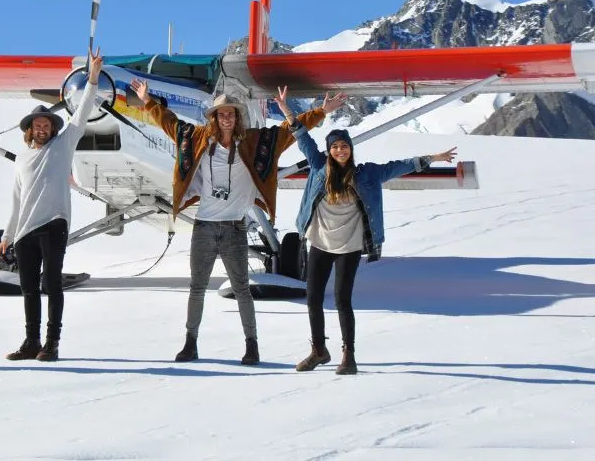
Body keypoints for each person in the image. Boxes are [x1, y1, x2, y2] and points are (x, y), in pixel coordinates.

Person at [131, 78, 346, 364]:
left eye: (231, 113)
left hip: (235, 228)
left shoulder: (256, 143)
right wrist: (147, 100)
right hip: (204, 227)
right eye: (222, 113)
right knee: (197, 287)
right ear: (214, 118)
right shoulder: (196, 141)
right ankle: (190, 343)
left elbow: (288, 132)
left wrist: (322, 111)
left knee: (242, 289)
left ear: (237, 117)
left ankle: (251, 346)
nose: (227, 117)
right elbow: (168, 122)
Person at [275, 87, 456, 375]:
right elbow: (301, 137)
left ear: (350, 149)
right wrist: (286, 110)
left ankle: (349, 355)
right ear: (329, 151)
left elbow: (400, 166)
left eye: (344, 146)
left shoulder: (367, 174)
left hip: (350, 244)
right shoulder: (319, 166)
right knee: (313, 298)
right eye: (335, 147)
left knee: (343, 300)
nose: (340, 150)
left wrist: (432, 157)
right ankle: (319, 350)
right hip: (321, 242)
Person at [0, 49, 104, 362]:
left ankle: (52, 343)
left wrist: (93, 78)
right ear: (29, 130)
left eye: (47, 125)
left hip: (54, 224)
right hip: (25, 231)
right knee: (29, 289)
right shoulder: (21, 159)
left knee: (51, 284)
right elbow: (17, 200)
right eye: (37, 126)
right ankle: (31, 342)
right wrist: (7, 235)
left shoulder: (64, 143)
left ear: (53, 129)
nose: (42, 129)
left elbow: (83, 112)